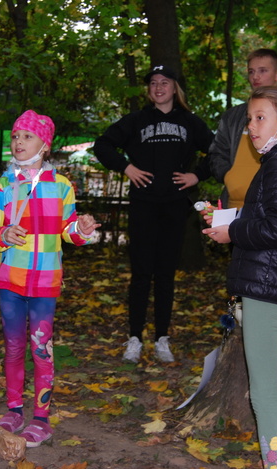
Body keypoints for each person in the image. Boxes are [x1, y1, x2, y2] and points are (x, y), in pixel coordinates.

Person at [202, 87, 277, 469]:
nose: (251, 127)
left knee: (264, 395)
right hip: (271, 282)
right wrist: (229, 221)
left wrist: (233, 232)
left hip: (266, 287)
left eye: (260, 118)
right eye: (249, 119)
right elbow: (274, 218)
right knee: (269, 391)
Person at [0, 110, 100, 447]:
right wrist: (2, 234)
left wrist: (82, 229)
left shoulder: (61, 186)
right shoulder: (0, 188)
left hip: (45, 282)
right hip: (11, 281)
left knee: (41, 349)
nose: (19, 142)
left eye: (27, 136)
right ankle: (14, 410)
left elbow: (68, 231)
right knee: (14, 347)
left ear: (44, 145)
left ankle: (41, 419)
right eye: (15, 136)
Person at [93, 64, 213, 363]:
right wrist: (126, 167)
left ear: (175, 88)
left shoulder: (189, 122)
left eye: (165, 82)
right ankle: (134, 338)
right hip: (143, 205)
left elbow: (218, 151)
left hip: (175, 206)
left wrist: (197, 175)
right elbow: (102, 145)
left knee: (165, 274)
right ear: (148, 90)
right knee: (141, 273)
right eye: (154, 83)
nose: (159, 88)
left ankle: (162, 338)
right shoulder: (136, 121)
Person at [209, 49, 277, 209]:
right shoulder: (233, 116)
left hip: (275, 207)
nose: (255, 77)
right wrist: (229, 176)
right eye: (251, 71)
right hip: (232, 208)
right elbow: (217, 154)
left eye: (262, 70)